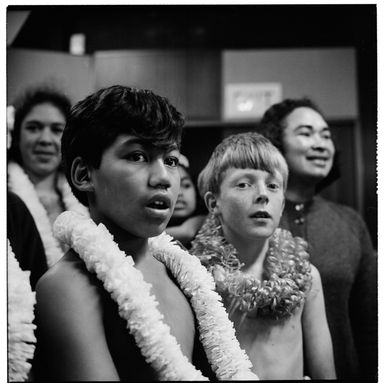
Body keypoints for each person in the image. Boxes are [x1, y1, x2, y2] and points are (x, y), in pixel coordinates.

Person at [32, 85, 257, 381]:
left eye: (171, 160)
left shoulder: (185, 274)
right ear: (84, 175)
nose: (163, 177)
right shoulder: (65, 286)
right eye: (137, 156)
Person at [190, 132, 336, 380]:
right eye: (244, 184)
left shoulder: (306, 277)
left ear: (281, 205)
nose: (262, 194)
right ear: (214, 203)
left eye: (272, 185)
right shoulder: (197, 277)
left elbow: (326, 373)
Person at [258, 97, 377, 381]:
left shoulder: (350, 222)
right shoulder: (253, 218)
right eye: (306, 133)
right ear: (276, 144)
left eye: (326, 135)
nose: (321, 144)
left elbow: (370, 320)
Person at [7, 86, 89, 269]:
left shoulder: (89, 195)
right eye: (33, 128)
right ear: (17, 136)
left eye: (57, 129)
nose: (45, 139)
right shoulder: (6, 201)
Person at [166, 153, 206, 247]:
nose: (179, 193)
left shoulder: (205, 219)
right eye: (169, 186)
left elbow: (186, 232)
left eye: (186, 185)